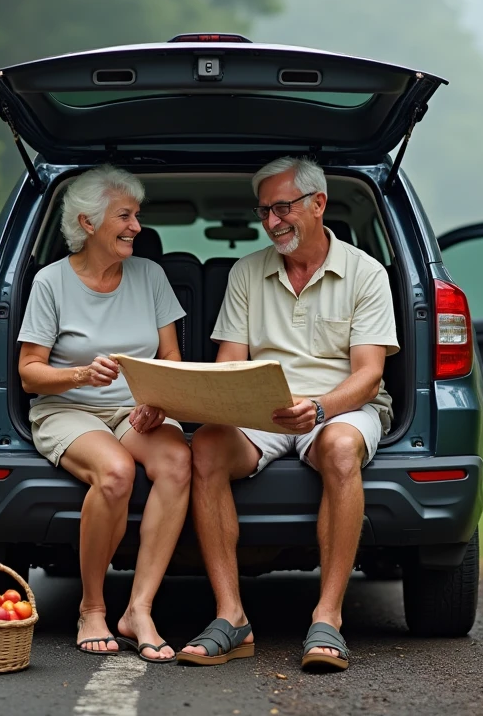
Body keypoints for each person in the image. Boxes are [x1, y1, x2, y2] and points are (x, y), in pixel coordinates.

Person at [176, 157, 398, 673]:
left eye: (283, 207)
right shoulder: (247, 272)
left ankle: (328, 618)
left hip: (341, 406)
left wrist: (320, 408)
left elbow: (368, 374)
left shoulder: (367, 273)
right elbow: (230, 363)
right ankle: (231, 617)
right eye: (265, 211)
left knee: (341, 448)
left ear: (319, 204)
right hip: (264, 411)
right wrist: (217, 402)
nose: (273, 221)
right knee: (206, 444)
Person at [17, 164, 191, 663]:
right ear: (88, 223)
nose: (138, 227)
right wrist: (77, 375)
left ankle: (138, 609)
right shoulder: (51, 283)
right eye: (126, 216)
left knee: (179, 462)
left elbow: (172, 359)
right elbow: (30, 372)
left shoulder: (150, 275)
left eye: (137, 216)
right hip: (68, 407)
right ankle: (92, 607)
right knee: (115, 473)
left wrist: (157, 399)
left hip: (138, 410)